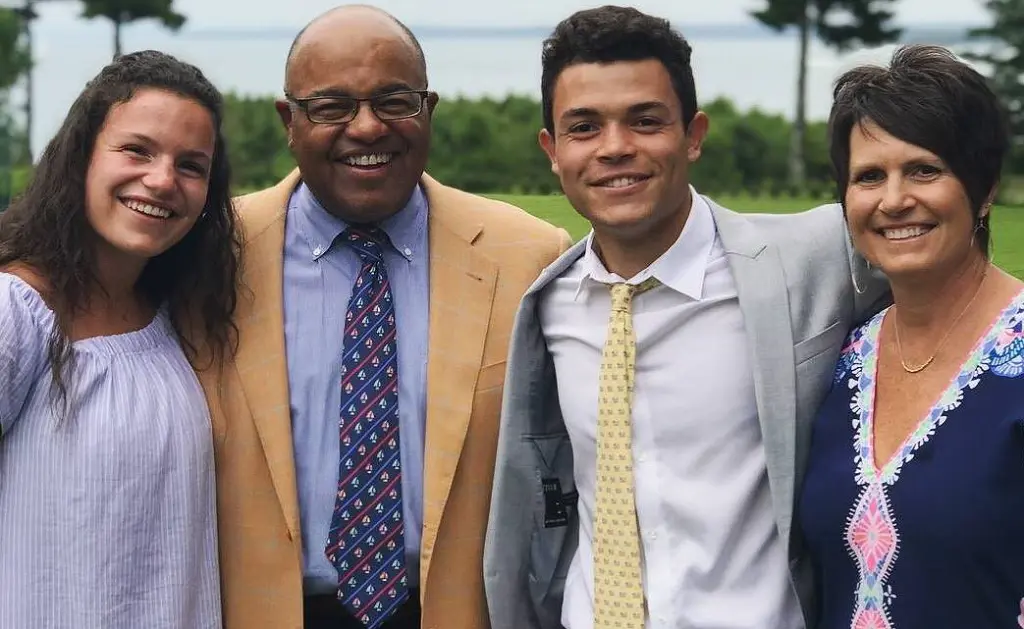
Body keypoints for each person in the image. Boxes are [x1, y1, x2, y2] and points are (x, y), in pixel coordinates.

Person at [483, 6, 889, 629]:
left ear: (693, 134)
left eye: (645, 121)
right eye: (584, 127)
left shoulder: (820, 258)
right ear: (553, 150)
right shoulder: (548, 304)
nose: (616, 148)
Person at [192, 5, 572, 629]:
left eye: (395, 100)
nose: (367, 128)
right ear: (290, 120)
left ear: (430, 110)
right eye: (332, 106)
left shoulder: (528, 257)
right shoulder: (210, 254)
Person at [0, 50, 239, 629]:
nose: (161, 180)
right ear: (82, 155)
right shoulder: (17, 312)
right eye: (137, 150)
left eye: (191, 165)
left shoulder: (177, 317)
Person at [797, 44, 1024, 628]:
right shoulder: (844, 357)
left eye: (924, 169)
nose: (894, 200)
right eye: (869, 176)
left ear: (985, 187)